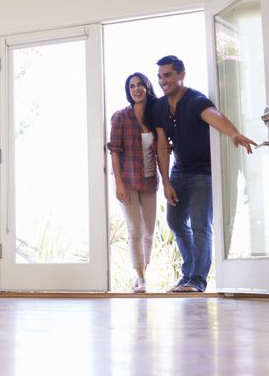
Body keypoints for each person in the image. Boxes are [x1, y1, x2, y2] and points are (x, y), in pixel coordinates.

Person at [153, 55, 256, 292]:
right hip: (179, 171)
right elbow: (161, 145)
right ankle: (189, 274)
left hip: (203, 173)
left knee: (200, 225)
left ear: (181, 75)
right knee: (175, 221)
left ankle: (197, 280)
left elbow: (215, 116)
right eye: (159, 76)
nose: (162, 81)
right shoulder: (159, 107)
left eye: (167, 75)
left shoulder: (196, 100)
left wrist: (234, 134)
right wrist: (166, 182)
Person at [108, 72, 158, 293]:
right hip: (126, 180)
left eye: (140, 85)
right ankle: (141, 278)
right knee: (135, 229)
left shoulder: (155, 116)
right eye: (132, 86)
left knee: (149, 230)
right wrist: (118, 183)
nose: (136, 89)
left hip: (148, 180)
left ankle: (142, 275)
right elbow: (115, 151)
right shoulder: (120, 117)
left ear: (147, 87)